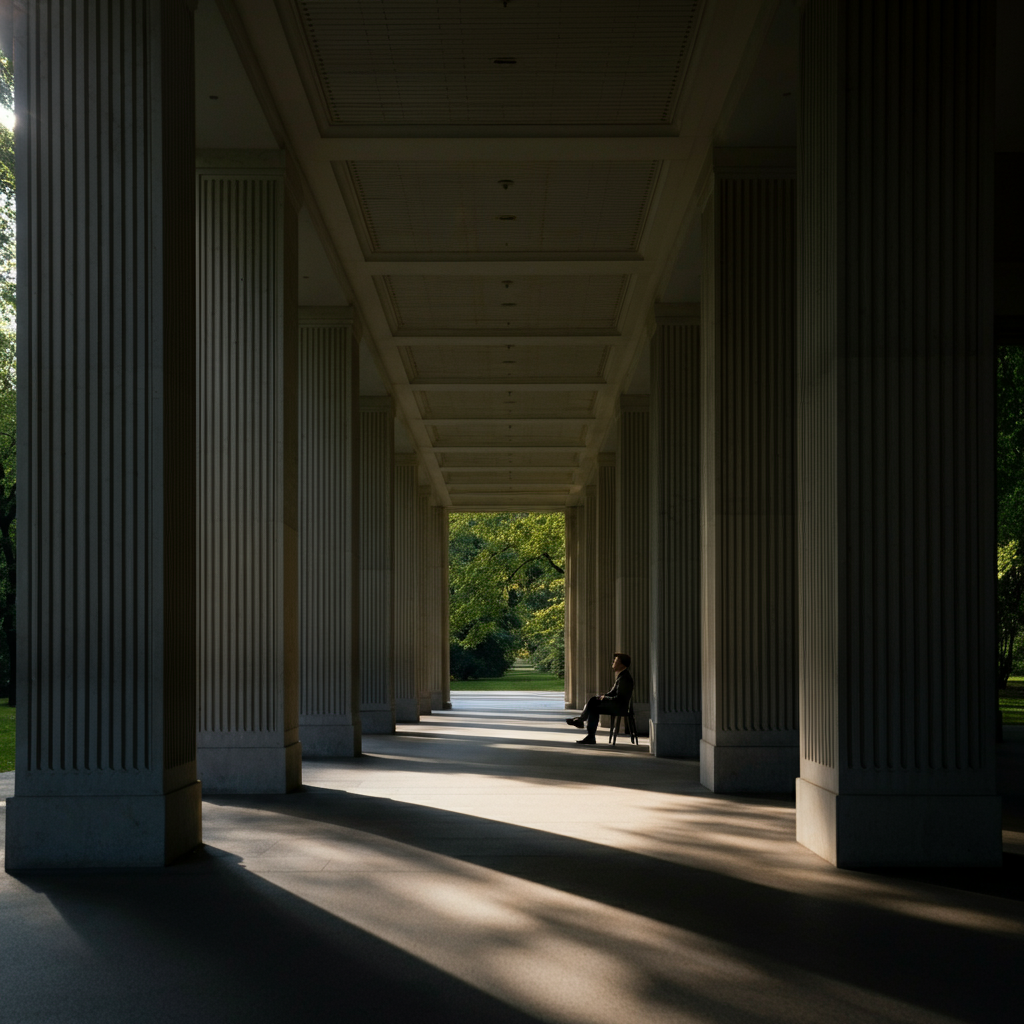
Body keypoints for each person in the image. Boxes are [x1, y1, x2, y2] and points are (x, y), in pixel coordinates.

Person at [566, 653, 634, 745]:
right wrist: (602, 697)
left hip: (619, 707)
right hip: (616, 704)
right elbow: (612, 693)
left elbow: (619, 698)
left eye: (615, 661)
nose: (613, 663)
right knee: (594, 700)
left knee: (593, 708)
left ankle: (585, 728)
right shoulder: (622, 676)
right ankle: (583, 724)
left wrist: (604, 698)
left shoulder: (624, 678)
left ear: (622, 664)